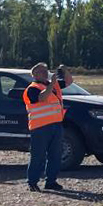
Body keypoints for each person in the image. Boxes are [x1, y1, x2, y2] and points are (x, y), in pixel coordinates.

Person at [24, 62, 69, 192]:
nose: (46, 73)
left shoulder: (52, 85)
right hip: (40, 127)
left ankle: (51, 181)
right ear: (35, 74)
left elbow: (69, 81)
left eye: (46, 70)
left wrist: (64, 71)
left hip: (56, 125)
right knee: (38, 156)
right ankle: (32, 182)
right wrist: (51, 84)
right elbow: (42, 98)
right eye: (42, 71)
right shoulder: (32, 88)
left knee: (55, 155)